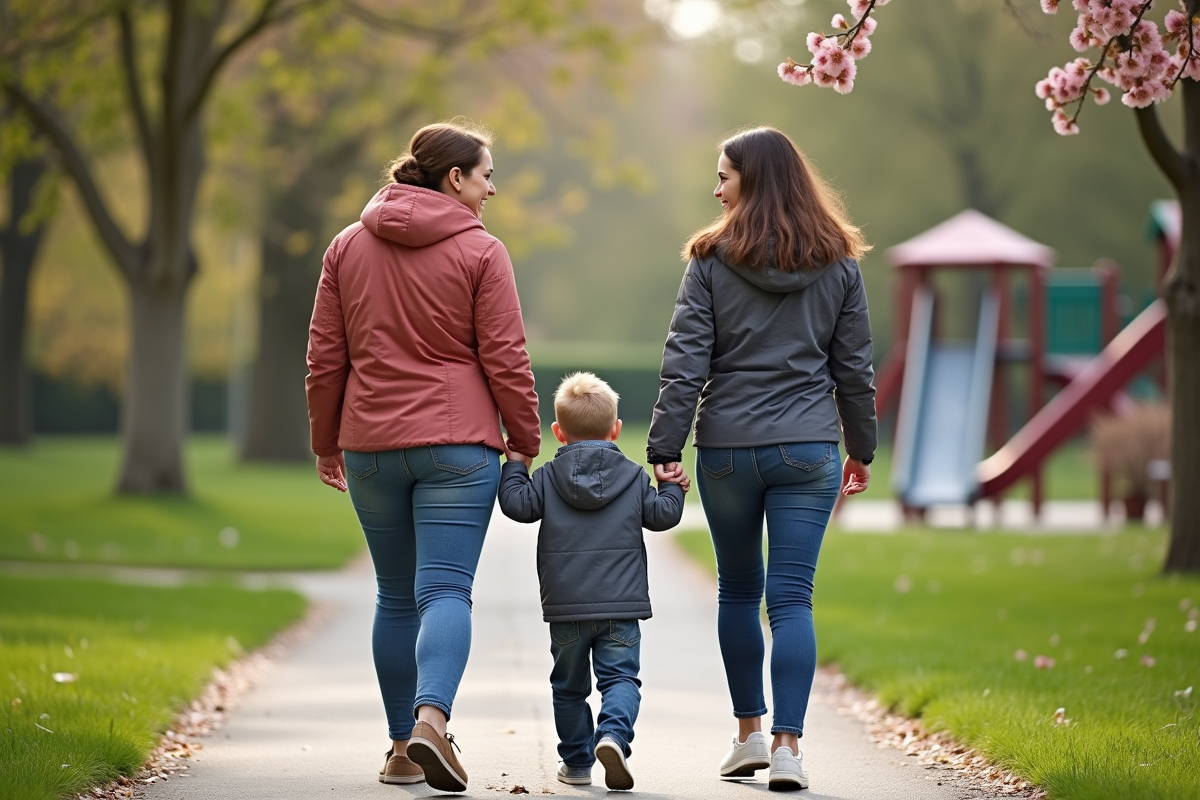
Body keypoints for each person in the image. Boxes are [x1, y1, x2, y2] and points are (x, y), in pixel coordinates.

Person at [305, 120, 541, 792]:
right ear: (454, 178)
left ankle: (401, 750)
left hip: (371, 446)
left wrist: (326, 441)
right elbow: (506, 357)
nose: (492, 189)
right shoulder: (482, 251)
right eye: (486, 175)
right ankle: (432, 720)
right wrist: (525, 439)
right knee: (444, 590)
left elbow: (325, 358)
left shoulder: (346, 246)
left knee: (394, 595)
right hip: (457, 447)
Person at [646, 126, 876, 792]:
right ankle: (787, 749)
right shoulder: (839, 262)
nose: (715, 189)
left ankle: (748, 734)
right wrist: (861, 448)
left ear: (754, 179)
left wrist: (664, 447)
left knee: (740, 591)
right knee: (792, 599)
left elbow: (684, 363)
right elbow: (854, 370)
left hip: (727, 450)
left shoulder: (710, 261)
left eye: (723, 176)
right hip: (808, 449)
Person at [497, 372, 689, 790]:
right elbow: (662, 516)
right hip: (621, 606)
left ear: (558, 432)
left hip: (566, 607)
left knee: (569, 688)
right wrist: (671, 487)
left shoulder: (547, 477)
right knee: (620, 679)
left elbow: (516, 505)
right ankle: (613, 736)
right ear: (615, 429)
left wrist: (515, 466)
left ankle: (578, 763)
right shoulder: (634, 477)